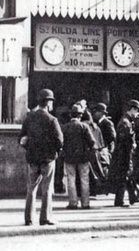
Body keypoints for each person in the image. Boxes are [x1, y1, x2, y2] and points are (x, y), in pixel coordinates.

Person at [19, 89, 63, 226]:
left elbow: (21, 138)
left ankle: (29, 218)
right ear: (48, 102)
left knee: (31, 189)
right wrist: (56, 152)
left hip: (32, 159)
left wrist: (29, 148)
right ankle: (45, 218)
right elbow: (59, 140)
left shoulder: (29, 118)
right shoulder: (52, 120)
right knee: (47, 189)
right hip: (47, 159)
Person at [61, 103, 97, 210]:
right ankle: (85, 203)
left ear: (71, 115)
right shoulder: (84, 126)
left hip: (69, 157)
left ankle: (73, 203)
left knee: (71, 180)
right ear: (80, 115)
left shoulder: (65, 127)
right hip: (83, 157)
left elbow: (61, 142)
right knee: (84, 179)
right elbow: (92, 142)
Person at [109, 100, 139, 207]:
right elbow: (125, 139)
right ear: (132, 109)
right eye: (137, 110)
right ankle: (119, 201)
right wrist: (133, 145)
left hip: (124, 153)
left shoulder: (127, 121)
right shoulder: (125, 122)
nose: (138, 113)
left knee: (127, 176)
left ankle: (133, 197)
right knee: (123, 176)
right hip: (124, 154)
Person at [91, 103, 115, 193]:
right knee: (100, 168)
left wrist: (108, 148)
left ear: (101, 113)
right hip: (100, 149)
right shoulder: (98, 123)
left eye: (96, 112)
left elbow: (112, 137)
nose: (94, 114)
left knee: (105, 168)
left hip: (105, 149)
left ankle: (106, 188)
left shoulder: (107, 123)